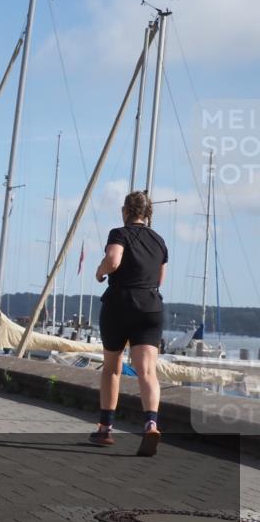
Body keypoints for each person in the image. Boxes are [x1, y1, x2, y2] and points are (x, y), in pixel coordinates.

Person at [90, 191, 167, 457]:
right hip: (151, 306)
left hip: (120, 304)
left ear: (125, 211)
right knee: (147, 371)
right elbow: (160, 279)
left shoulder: (119, 233)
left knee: (112, 367)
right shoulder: (159, 241)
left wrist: (100, 271)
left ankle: (105, 428)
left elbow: (113, 260)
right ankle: (151, 423)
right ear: (148, 214)